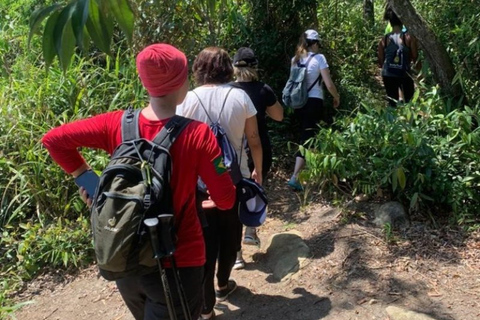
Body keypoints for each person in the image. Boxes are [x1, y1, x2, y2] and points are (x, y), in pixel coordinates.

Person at [41, 43, 236, 320]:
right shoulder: (197, 134)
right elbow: (226, 199)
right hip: (179, 262)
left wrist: (94, 187)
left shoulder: (116, 123)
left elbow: (54, 140)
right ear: (181, 82)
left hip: (128, 260)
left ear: (144, 82)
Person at [176, 46, 262, 320]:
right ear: (227, 68)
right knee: (230, 236)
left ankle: (206, 305)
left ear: (198, 69)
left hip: (198, 185)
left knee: (204, 241)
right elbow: (254, 140)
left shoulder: (186, 100)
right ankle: (224, 283)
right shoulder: (240, 97)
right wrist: (258, 171)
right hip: (234, 178)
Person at [229, 47, 284, 270]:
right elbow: (279, 116)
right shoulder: (263, 90)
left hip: (233, 152)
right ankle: (250, 231)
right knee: (256, 187)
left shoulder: (228, 90)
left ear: (234, 67)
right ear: (255, 67)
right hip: (259, 148)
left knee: (233, 199)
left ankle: (237, 256)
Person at [287, 29, 340, 191]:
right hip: (314, 102)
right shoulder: (319, 58)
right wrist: (336, 97)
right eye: (318, 43)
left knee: (308, 136)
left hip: (298, 103)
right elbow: (329, 84)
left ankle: (310, 172)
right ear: (315, 43)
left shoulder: (295, 59)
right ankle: (295, 177)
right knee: (307, 138)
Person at [378, 8, 419, 107]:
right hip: (404, 73)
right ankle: (409, 121)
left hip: (388, 74)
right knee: (409, 102)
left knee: (392, 103)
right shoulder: (409, 38)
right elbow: (415, 57)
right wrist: (418, 73)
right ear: (402, 21)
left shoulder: (384, 39)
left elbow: (380, 61)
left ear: (390, 22)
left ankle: (393, 121)